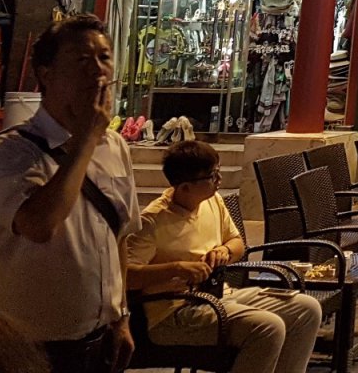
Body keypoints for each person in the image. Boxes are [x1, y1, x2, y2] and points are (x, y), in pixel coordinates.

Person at [0, 16, 140, 373]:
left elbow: (119, 235)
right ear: (46, 74)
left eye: (104, 57)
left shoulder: (115, 147)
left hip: (101, 340)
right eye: (81, 59)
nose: (97, 70)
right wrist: (86, 139)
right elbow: (39, 224)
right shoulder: (12, 152)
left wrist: (121, 316)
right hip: (30, 350)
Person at [128, 141, 321, 373]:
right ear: (185, 187)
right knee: (268, 327)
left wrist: (225, 251)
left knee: (307, 308)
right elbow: (127, 277)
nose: (219, 180)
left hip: (219, 294)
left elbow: (238, 244)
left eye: (218, 171)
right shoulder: (152, 221)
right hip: (174, 312)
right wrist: (177, 268)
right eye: (212, 176)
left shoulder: (213, 200)